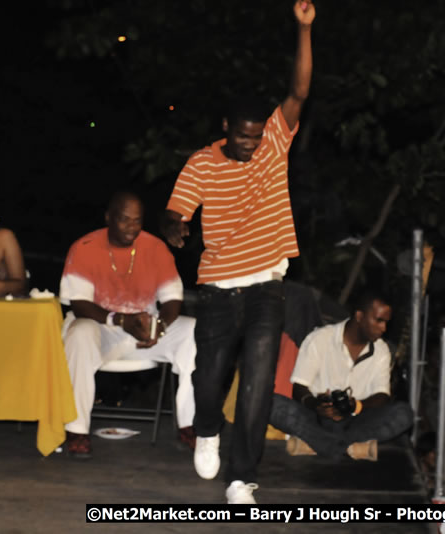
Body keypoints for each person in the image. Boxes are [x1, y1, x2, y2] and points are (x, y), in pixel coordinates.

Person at [161, 0, 315, 504]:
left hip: (267, 284)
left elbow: (298, 90)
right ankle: (207, 429)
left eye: (256, 138)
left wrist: (303, 29)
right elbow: (175, 211)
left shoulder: (275, 139)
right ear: (227, 126)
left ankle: (242, 476)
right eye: (243, 138)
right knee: (209, 377)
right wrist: (175, 229)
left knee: (257, 383)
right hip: (219, 287)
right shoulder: (202, 164)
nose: (251, 148)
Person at [59, 192, 197, 458]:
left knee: (192, 330)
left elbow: (172, 300)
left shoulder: (155, 248)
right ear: (109, 218)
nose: (131, 228)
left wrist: (158, 327)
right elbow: (79, 304)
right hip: (102, 329)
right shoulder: (85, 247)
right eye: (124, 220)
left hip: (144, 330)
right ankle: (77, 431)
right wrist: (121, 320)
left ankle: (189, 426)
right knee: (79, 332)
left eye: (137, 221)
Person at [268, 292, 412, 461]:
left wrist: (356, 406)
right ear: (359, 316)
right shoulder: (320, 338)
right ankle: (350, 447)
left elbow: (382, 396)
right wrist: (317, 405)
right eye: (379, 321)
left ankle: (317, 444)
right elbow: (299, 386)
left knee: (404, 413)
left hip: (356, 420)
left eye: (386, 322)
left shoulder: (381, 350)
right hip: (318, 417)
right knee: (270, 403)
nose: (384, 328)